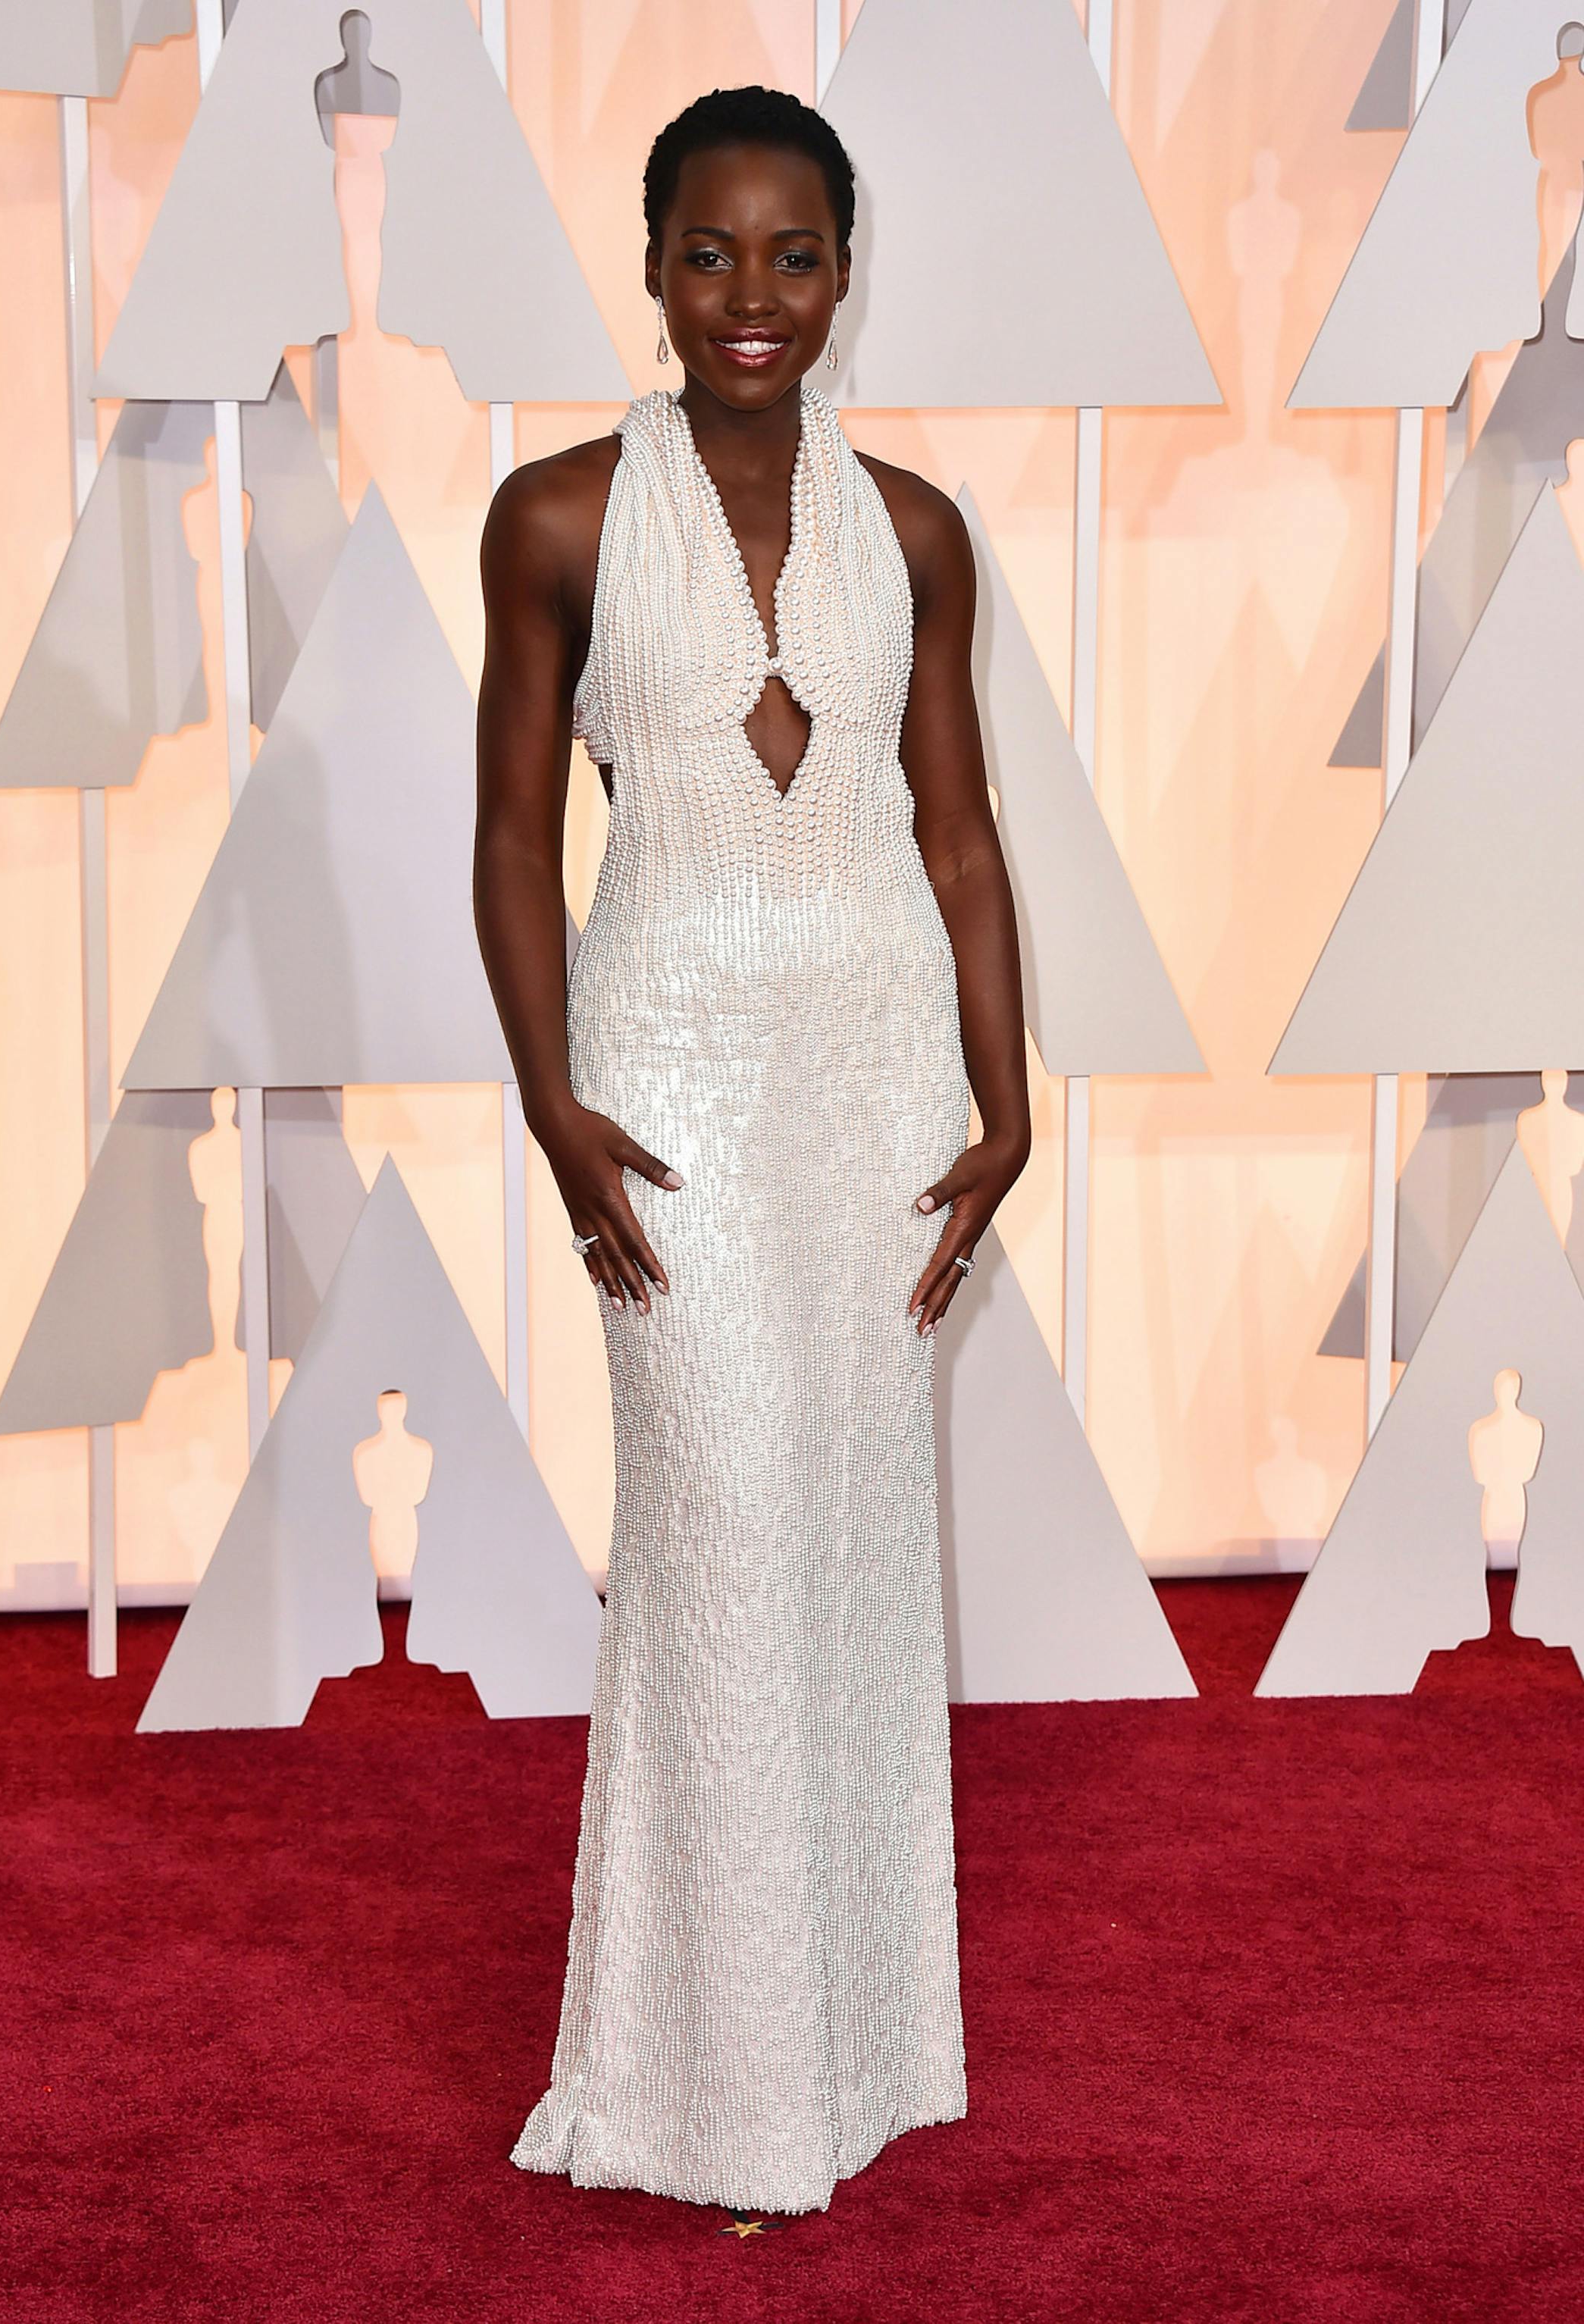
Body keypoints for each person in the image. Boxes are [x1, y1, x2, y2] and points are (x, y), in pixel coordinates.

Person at [472, 84, 1030, 2216]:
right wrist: (550, 1096)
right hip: (671, 1078)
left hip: (878, 1075)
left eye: (794, 254)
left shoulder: (921, 531)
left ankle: (855, 2053)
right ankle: (710, 2087)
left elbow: (958, 835)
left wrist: (1008, 1095)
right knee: (718, 1538)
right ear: (651, 265)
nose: (752, 295)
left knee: (855, 1538)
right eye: (710, 252)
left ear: (845, 273)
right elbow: (512, 838)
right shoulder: (551, 518)